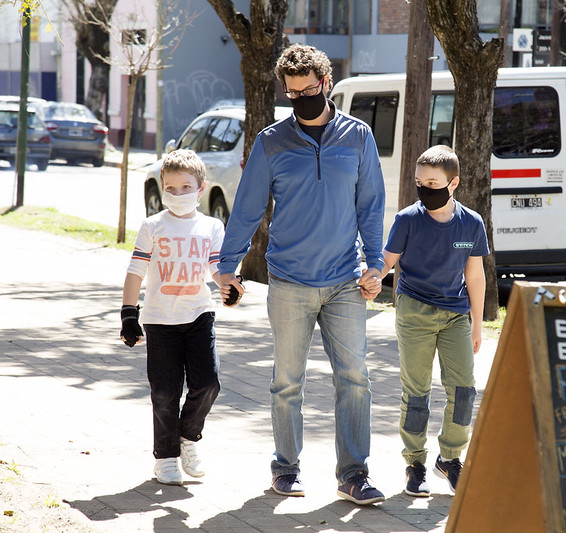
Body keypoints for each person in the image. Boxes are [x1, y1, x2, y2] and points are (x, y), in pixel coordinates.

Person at [217, 44, 386, 505]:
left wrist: (376, 264)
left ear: (326, 83)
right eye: (291, 93)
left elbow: (370, 206)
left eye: (308, 89)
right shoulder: (271, 141)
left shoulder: (358, 136)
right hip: (289, 280)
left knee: (354, 379)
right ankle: (285, 469)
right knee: (287, 381)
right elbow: (248, 208)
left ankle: (353, 474)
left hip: (346, 280)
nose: (300, 98)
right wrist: (226, 267)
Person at [375, 145, 488, 497]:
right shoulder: (408, 219)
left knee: (464, 390)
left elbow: (476, 276)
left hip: (455, 314)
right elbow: (387, 261)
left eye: (433, 182)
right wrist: (373, 277)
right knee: (417, 391)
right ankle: (415, 464)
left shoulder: (471, 222)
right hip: (415, 310)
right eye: (419, 182)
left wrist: (477, 324)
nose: (425, 189)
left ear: (453, 183)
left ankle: (450, 458)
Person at [120, 149, 232, 485]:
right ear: (162, 188)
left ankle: (188, 437)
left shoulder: (212, 226)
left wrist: (229, 285)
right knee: (165, 392)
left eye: (186, 187)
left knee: (208, 383)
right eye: (171, 188)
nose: (178, 194)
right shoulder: (153, 226)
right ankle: (166, 457)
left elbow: (216, 268)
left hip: (199, 315)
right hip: (159, 321)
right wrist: (129, 314)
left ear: (201, 187)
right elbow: (135, 271)